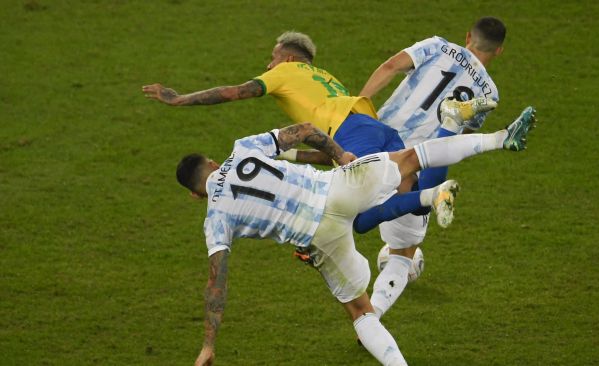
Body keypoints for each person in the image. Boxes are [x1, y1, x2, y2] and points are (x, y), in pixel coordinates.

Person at [176, 101, 536, 365]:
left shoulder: (215, 217)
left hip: (319, 237)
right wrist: (339, 152)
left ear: (195, 195)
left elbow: (216, 282)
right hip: (335, 188)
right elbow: (303, 131)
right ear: (212, 163)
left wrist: (208, 344)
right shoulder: (242, 150)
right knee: (412, 158)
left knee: (361, 311)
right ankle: (502, 138)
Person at [142, 31, 464, 232]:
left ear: (290, 58)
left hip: (352, 130)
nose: (269, 66)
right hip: (375, 128)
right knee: (413, 204)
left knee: (361, 220)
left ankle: (449, 126)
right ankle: (436, 181)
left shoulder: (285, 72)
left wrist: (180, 99)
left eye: (273, 58)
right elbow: (337, 151)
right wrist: (293, 155)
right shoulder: (323, 77)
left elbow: (237, 91)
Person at [357, 16, 508, 319]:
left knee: (346, 211)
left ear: (468, 36)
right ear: (499, 51)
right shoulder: (489, 94)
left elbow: (390, 67)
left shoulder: (436, 45)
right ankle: (371, 317)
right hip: (411, 168)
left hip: (374, 143)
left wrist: (359, 103)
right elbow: (452, 143)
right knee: (403, 254)